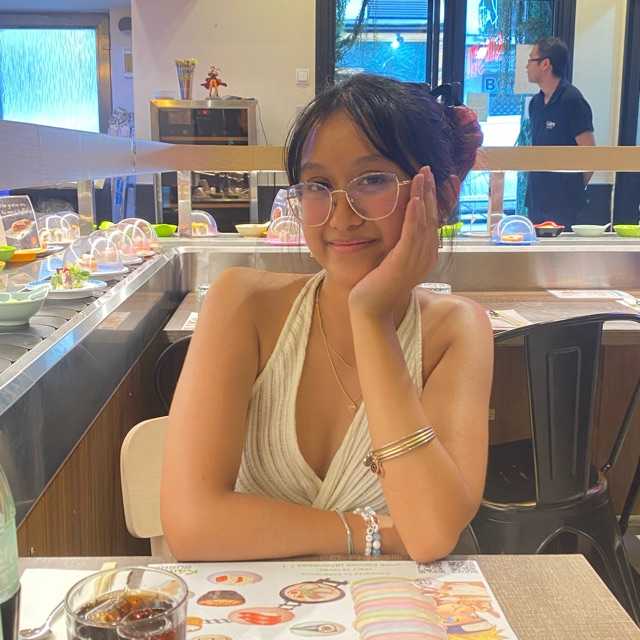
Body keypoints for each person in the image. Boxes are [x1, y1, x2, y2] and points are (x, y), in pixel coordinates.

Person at [161, 74, 493, 562]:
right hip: (251, 605)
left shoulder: (456, 331)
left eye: (373, 180)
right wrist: (374, 533)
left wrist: (371, 316)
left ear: (441, 197)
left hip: (388, 606)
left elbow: (429, 535)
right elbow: (191, 527)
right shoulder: (241, 303)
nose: (341, 215)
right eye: (318, 185)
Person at [525, 37, 596, 228]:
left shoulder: (572, 100)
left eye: (531, 59)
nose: (526, 66)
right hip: (537, 199)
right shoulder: (535, 103)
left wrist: (572, 187)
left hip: (565, 204)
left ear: (545, 64)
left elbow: (590, 154)